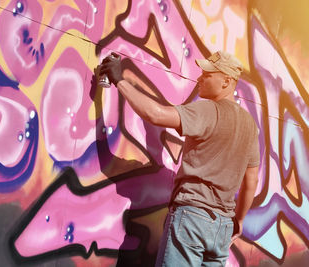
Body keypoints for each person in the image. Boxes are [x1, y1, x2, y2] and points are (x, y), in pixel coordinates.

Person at [99, 51, 260, 266]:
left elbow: (155, 115)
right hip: (222, 228)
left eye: (208, 74)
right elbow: (252, 181)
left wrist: (119, 80)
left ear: (227, 82)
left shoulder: (208, 110)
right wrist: (238, 220)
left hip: (192, 219)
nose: (200, 78)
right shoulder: (250, 126)